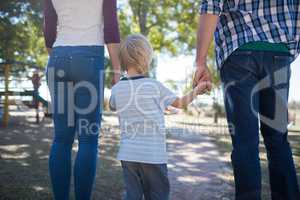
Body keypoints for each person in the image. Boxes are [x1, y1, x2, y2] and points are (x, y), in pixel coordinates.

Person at [193, 0, 300, 199]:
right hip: (279, 54)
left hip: (239, 50)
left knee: (245, 141)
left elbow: (211, 5)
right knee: (278, 140)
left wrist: (200, 61)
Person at [109, 34, 211, 200]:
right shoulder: (154, 85)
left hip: (128, 155)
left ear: (122, 61)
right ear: (145, 59)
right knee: (158, 195)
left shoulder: (117, 89)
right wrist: (197, 90)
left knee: (132, 195)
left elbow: (114, 106)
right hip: (153, 155)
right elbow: (179, 103)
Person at [43, 0, 121, 199]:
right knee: (88, 139)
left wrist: (60, 56)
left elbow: (49, 29)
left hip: (58, 55)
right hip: (90, 57)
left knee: (61, 139)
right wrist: (117, 70)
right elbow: (111, 27)